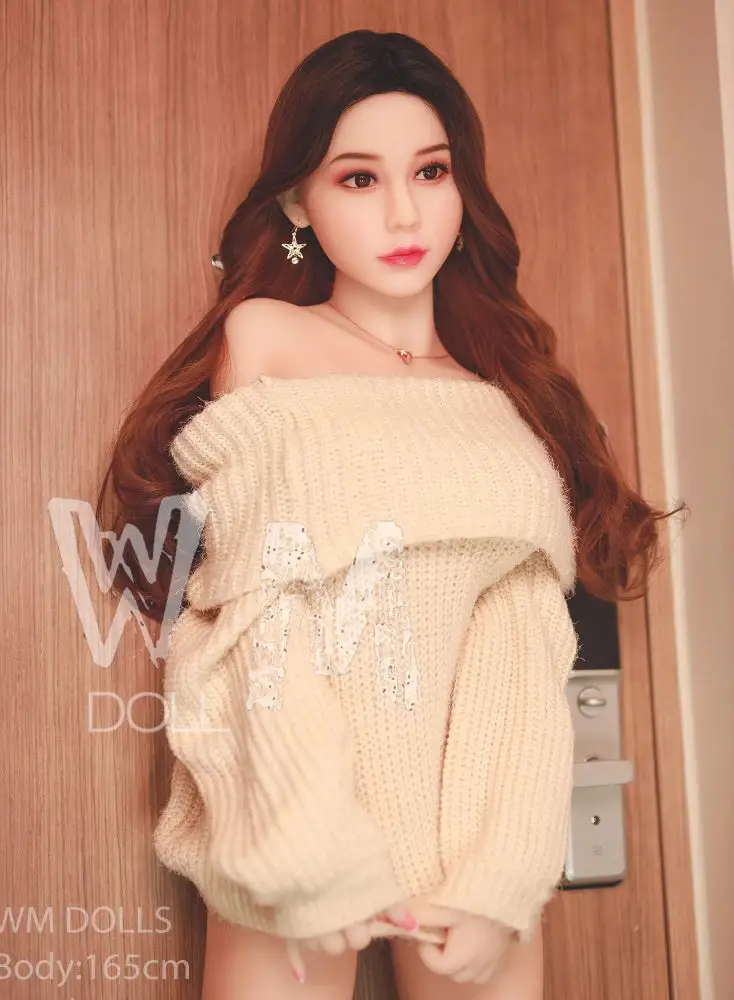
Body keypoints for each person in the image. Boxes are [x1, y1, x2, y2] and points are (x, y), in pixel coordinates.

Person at [96, 29, 687, 1000]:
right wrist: (309, 846)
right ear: (299, 201)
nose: (405, 211)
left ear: (462, 186)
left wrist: (500, 878)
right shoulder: (268, 339)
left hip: (465, 836)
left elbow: (521, 645)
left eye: (431, 171)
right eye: (360, 179)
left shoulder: (505, 390)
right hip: (297, 818)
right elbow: (255, 613)